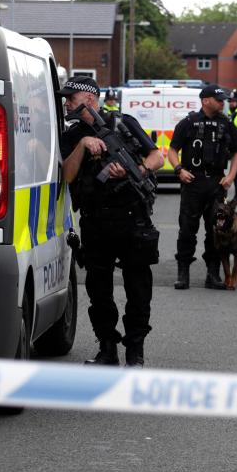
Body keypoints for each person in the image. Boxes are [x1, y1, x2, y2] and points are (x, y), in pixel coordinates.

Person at [60, 76, 164, 367]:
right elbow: (67, 176)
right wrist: (83, 144)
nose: (67, 103)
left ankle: (135, 351)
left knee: (138, 290)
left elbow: (158, 156)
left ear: (90, 99)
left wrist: (138, 171)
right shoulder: (72, 134)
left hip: (133, 219)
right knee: (99, 291)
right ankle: (107, 348)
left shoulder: (123, 124)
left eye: (72, 98)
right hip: (95, 222)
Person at [168, 84, 237, 290]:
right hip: (193, 182)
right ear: (205, 100)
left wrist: (231, 176)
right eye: (219, 100)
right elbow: (172, 150)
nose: (222, 103)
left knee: (217, 231)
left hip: (217, 184)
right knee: (187, 231)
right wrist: (179, 170)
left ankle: (213, 274)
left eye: (223, 100)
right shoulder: (189, 123)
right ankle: (183, 274)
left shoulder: (226, 124)